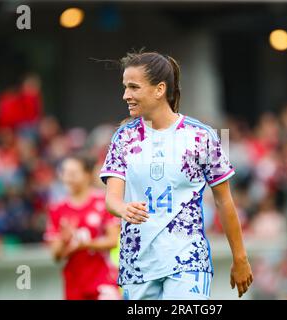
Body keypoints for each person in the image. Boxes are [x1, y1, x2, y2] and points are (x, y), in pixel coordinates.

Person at [99, 51, 253, 300]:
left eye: (133, 87)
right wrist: (123, 208)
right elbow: (112, 199)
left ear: (159, 89)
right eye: (125, 87)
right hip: (137, 263)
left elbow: (224, 200)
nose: (125, 95)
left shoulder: (200, 136)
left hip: (187, 260)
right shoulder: (123, 137)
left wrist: (240, 258)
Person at [45, 154, 121, 300]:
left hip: (103, 279)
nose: (67, 178)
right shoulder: (57, 209)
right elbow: (55, 255)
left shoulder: (104, 202)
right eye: (64, 173)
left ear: (87, 175)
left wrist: (85, 244)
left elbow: (112, 241)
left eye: (73, 173)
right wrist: (63, 239)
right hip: (74, 284)